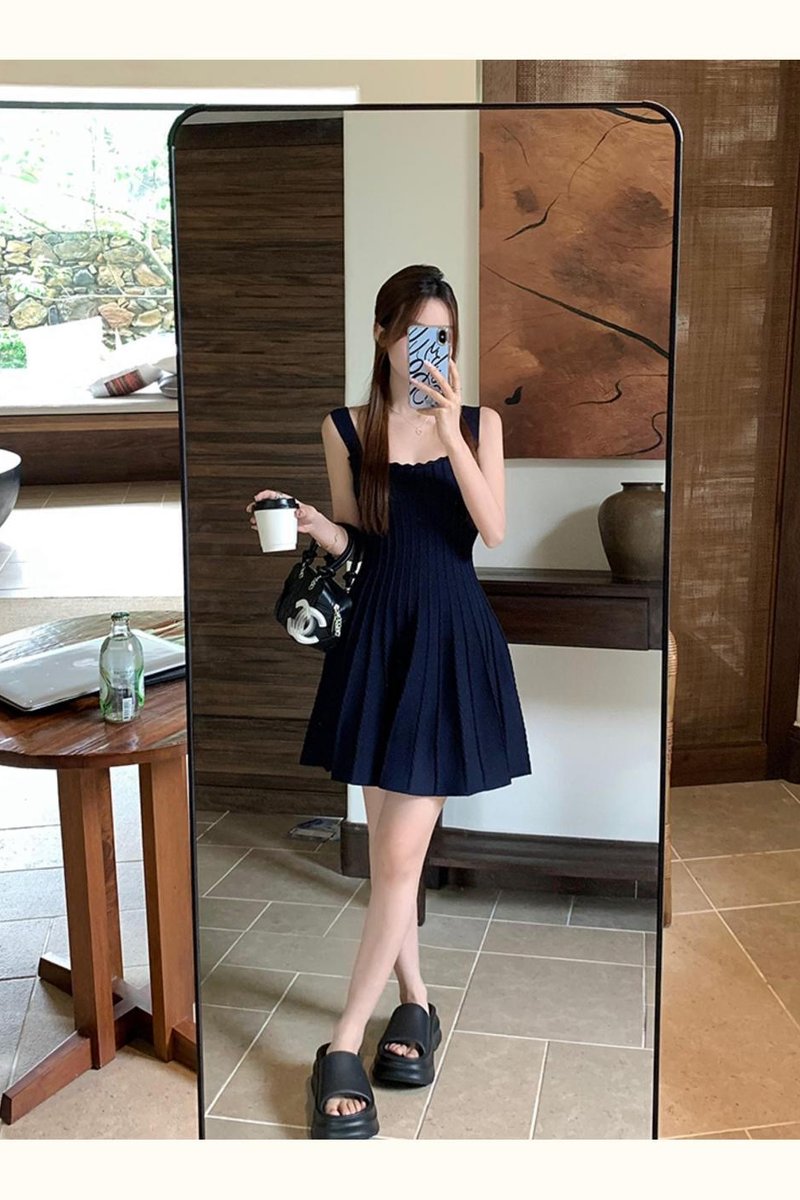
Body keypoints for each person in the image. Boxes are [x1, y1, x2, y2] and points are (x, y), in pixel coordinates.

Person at [246, 264, 531, 1138]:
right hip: (376, 643)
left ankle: (340, 1045)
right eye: (412, 333)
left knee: (400, 859)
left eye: (439, 334)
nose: (424, 349)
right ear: (383, 336)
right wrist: (312, 524)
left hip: (447, 644)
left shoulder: (477, 424)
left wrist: (447, 429)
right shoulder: (345, 427)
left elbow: (492, 530)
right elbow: (361, 540)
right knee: (388, 857)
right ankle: (416, 1002)